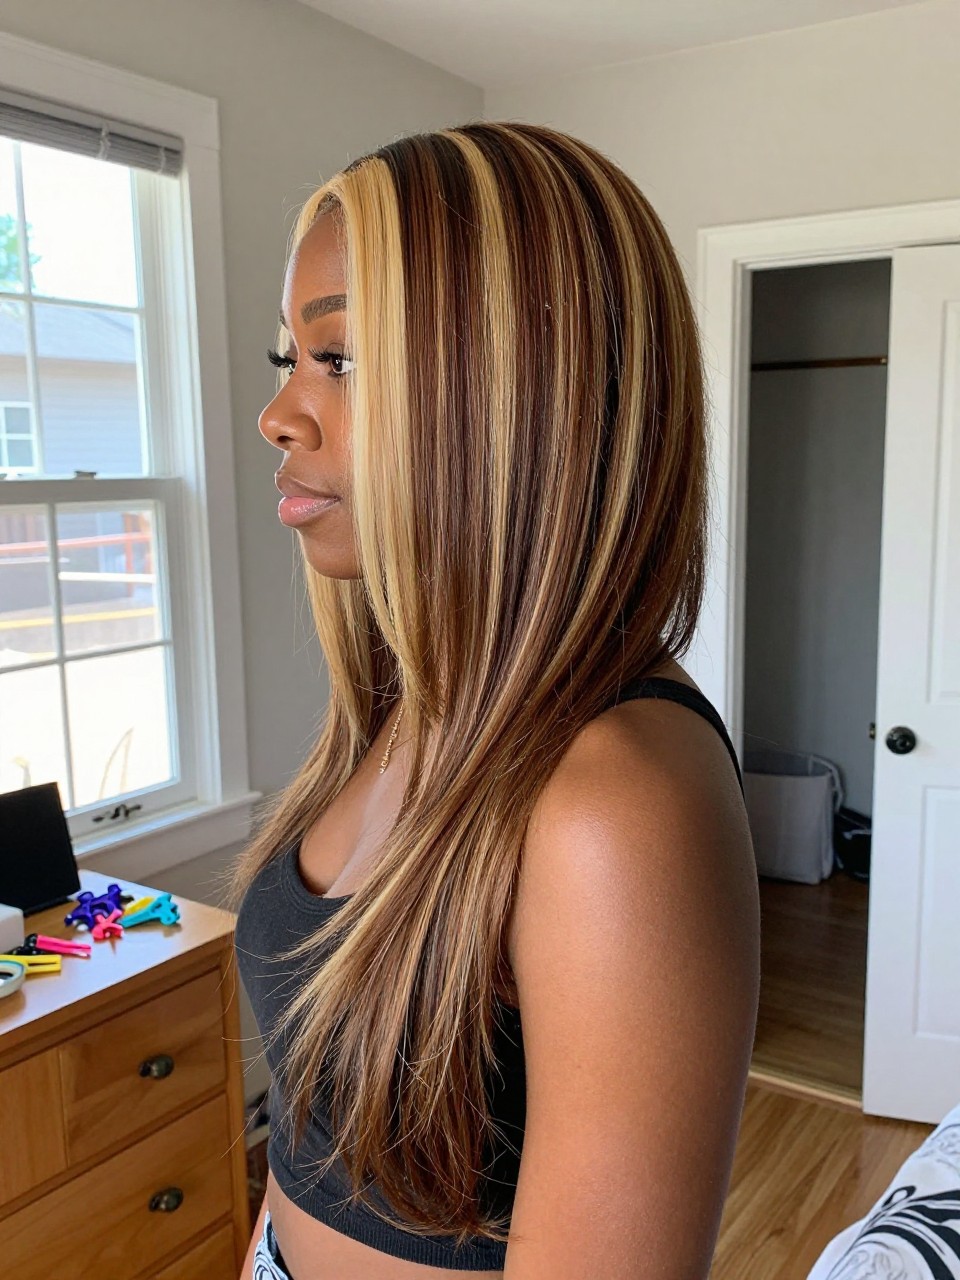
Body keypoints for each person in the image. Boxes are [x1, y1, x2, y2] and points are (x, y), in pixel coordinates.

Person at [226, 120, 761, 1280]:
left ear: (516, 391)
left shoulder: (615, 799)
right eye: (289, 359)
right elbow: (306, 1142)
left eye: (343, 361)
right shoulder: (399, 702)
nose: (280, 413)